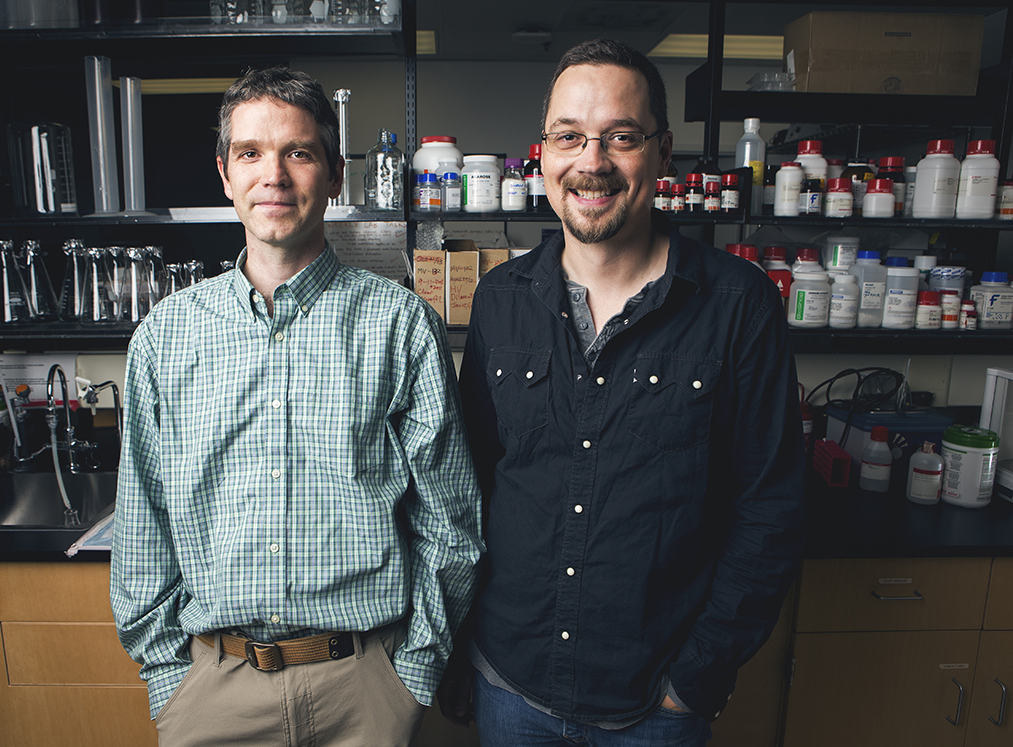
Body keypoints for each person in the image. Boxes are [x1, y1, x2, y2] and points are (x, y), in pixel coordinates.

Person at [110, 66, 483, 747]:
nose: (273, 175)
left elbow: (450, 520)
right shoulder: (165, 336)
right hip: (213, 692)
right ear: (225, 174)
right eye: (251, 153)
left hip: (365, 687)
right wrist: (169, 682)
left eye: (299, 152)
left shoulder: (399, 325)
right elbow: (143, 523)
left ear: (335, 174)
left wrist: (413, 675)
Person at [447, 38, 805, 746]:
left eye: (622, 136)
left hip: (655, 704)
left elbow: (770, 509)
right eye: (569, 136)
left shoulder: (740, 307)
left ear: (664, 153)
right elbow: (469, 486)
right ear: (542, 153)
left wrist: (696, 678)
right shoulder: (499, 302)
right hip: (509, 684)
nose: (593, 161)